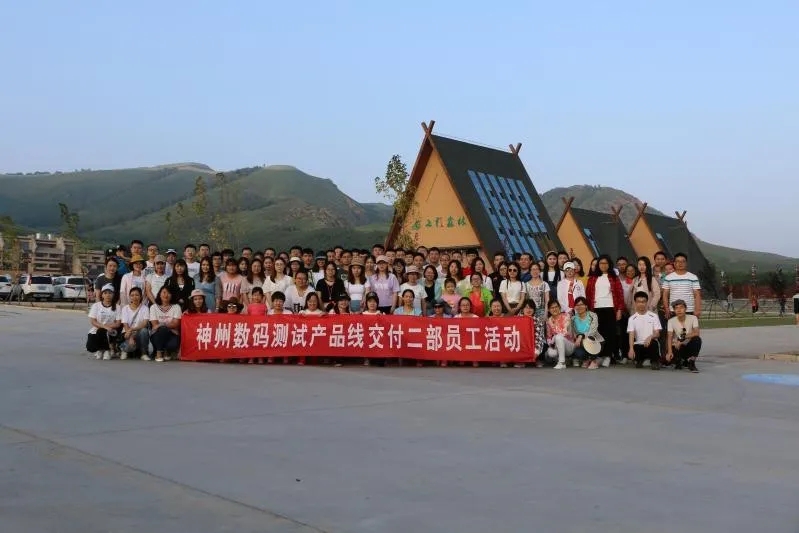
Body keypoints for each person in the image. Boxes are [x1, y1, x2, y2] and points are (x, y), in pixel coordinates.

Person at [627, 292, 662, 370]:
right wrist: (631, 349)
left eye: (643, 301)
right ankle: (639, 360)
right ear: (635, 303)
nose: (641, 304)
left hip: (650, 343)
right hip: (639, 344)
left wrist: (650, 337)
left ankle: (654, 362)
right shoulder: (632, 318)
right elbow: (631, 335)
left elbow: (657, 333)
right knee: (635, 348)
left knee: (654, 343)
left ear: (647, 302)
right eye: (639, 302)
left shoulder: (654, 316)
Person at [86, 284, 121, 361]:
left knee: (102, 331)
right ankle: (100, 349)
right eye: (105, 293)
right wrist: (105, 327)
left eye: (110, 293)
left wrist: (107, 328)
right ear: (102, 295)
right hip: (96, 330)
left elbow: (118, 323)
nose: (108, 295)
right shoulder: (96, 306)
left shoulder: (117, 307)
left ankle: (107, 350)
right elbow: (93, 321)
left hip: (112, 331)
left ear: (113, 295)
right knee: (90, 347)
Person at [666, 299, 702, 372]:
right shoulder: (671, 321)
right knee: (668, 359)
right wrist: (669, 352)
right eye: (676, 308)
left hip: (688, 344)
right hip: (678, 346)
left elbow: (696, 333)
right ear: (674, 310)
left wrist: (681, 339)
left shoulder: (693, 318)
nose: (679, 310)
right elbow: (669, 337)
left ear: (686, 309)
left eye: (681, 307)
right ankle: (680, 360)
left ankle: (691, 362)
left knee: (697, 339)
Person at [662, 253, 701, 319]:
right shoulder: (668, 278)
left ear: (686, 263)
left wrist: (697, 309)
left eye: (683, 261)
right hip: (673, 310)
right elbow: (665, 294)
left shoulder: (693, 277)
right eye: (678, 261)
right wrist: (666, 308)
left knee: (691, 326)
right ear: (674, 263)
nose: (680, 263)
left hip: (689, 310)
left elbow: (697, 294)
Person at [149, 286, 182, 362]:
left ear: (172, 295)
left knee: (163, 329)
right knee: (163, 329)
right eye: (164, 292)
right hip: (156, 335)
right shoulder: (154, 307)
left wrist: (161, 324)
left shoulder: (176, 307)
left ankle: (166, 350)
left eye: (168, 293)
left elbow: (175, 324)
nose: (166, 295)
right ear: (159, 294)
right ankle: (159, 352)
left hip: (172, 335)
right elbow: (154, 325)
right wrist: (167, 326)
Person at [120, 287, 150, 360]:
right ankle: (125, 350)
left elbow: (144, 323)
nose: (134, 297)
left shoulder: (145, 308)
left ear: (141, 296)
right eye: (132, 295)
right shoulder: (125, 308)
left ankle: (143, 353)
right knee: (129, 344)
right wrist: (130, 337)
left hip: (139, 333)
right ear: (129, 297)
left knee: (144, 331)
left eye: (137, 295)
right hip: (127, 333)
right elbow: (125, 324)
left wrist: (133, 329)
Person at [571, 297, 600, 369]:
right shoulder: (573, 319)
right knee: (578, 353)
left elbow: (593, 330)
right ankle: (587, 359)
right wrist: (577, 337)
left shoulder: (593, 315)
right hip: (580, 343)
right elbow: (573, 333)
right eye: (577, 305)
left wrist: (581, 336)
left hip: (594, 340)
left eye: (581, 304)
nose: (579, 307)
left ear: (586, 306)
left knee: (590, 341)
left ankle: (594, 360)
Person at [545, 300, 574, 370]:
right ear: (549, 310)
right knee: (551, 353)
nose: (554, 309)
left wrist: (554, 338)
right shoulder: (549, 321)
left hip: (569, 344)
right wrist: (551, 343)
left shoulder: (566, 316)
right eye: (552, 308)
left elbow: (566, 333)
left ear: (559, 307)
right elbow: (548, 337)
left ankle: (562, 363)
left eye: (556, 307)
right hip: (557, 344)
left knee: (559, 337)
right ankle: (564, 359)